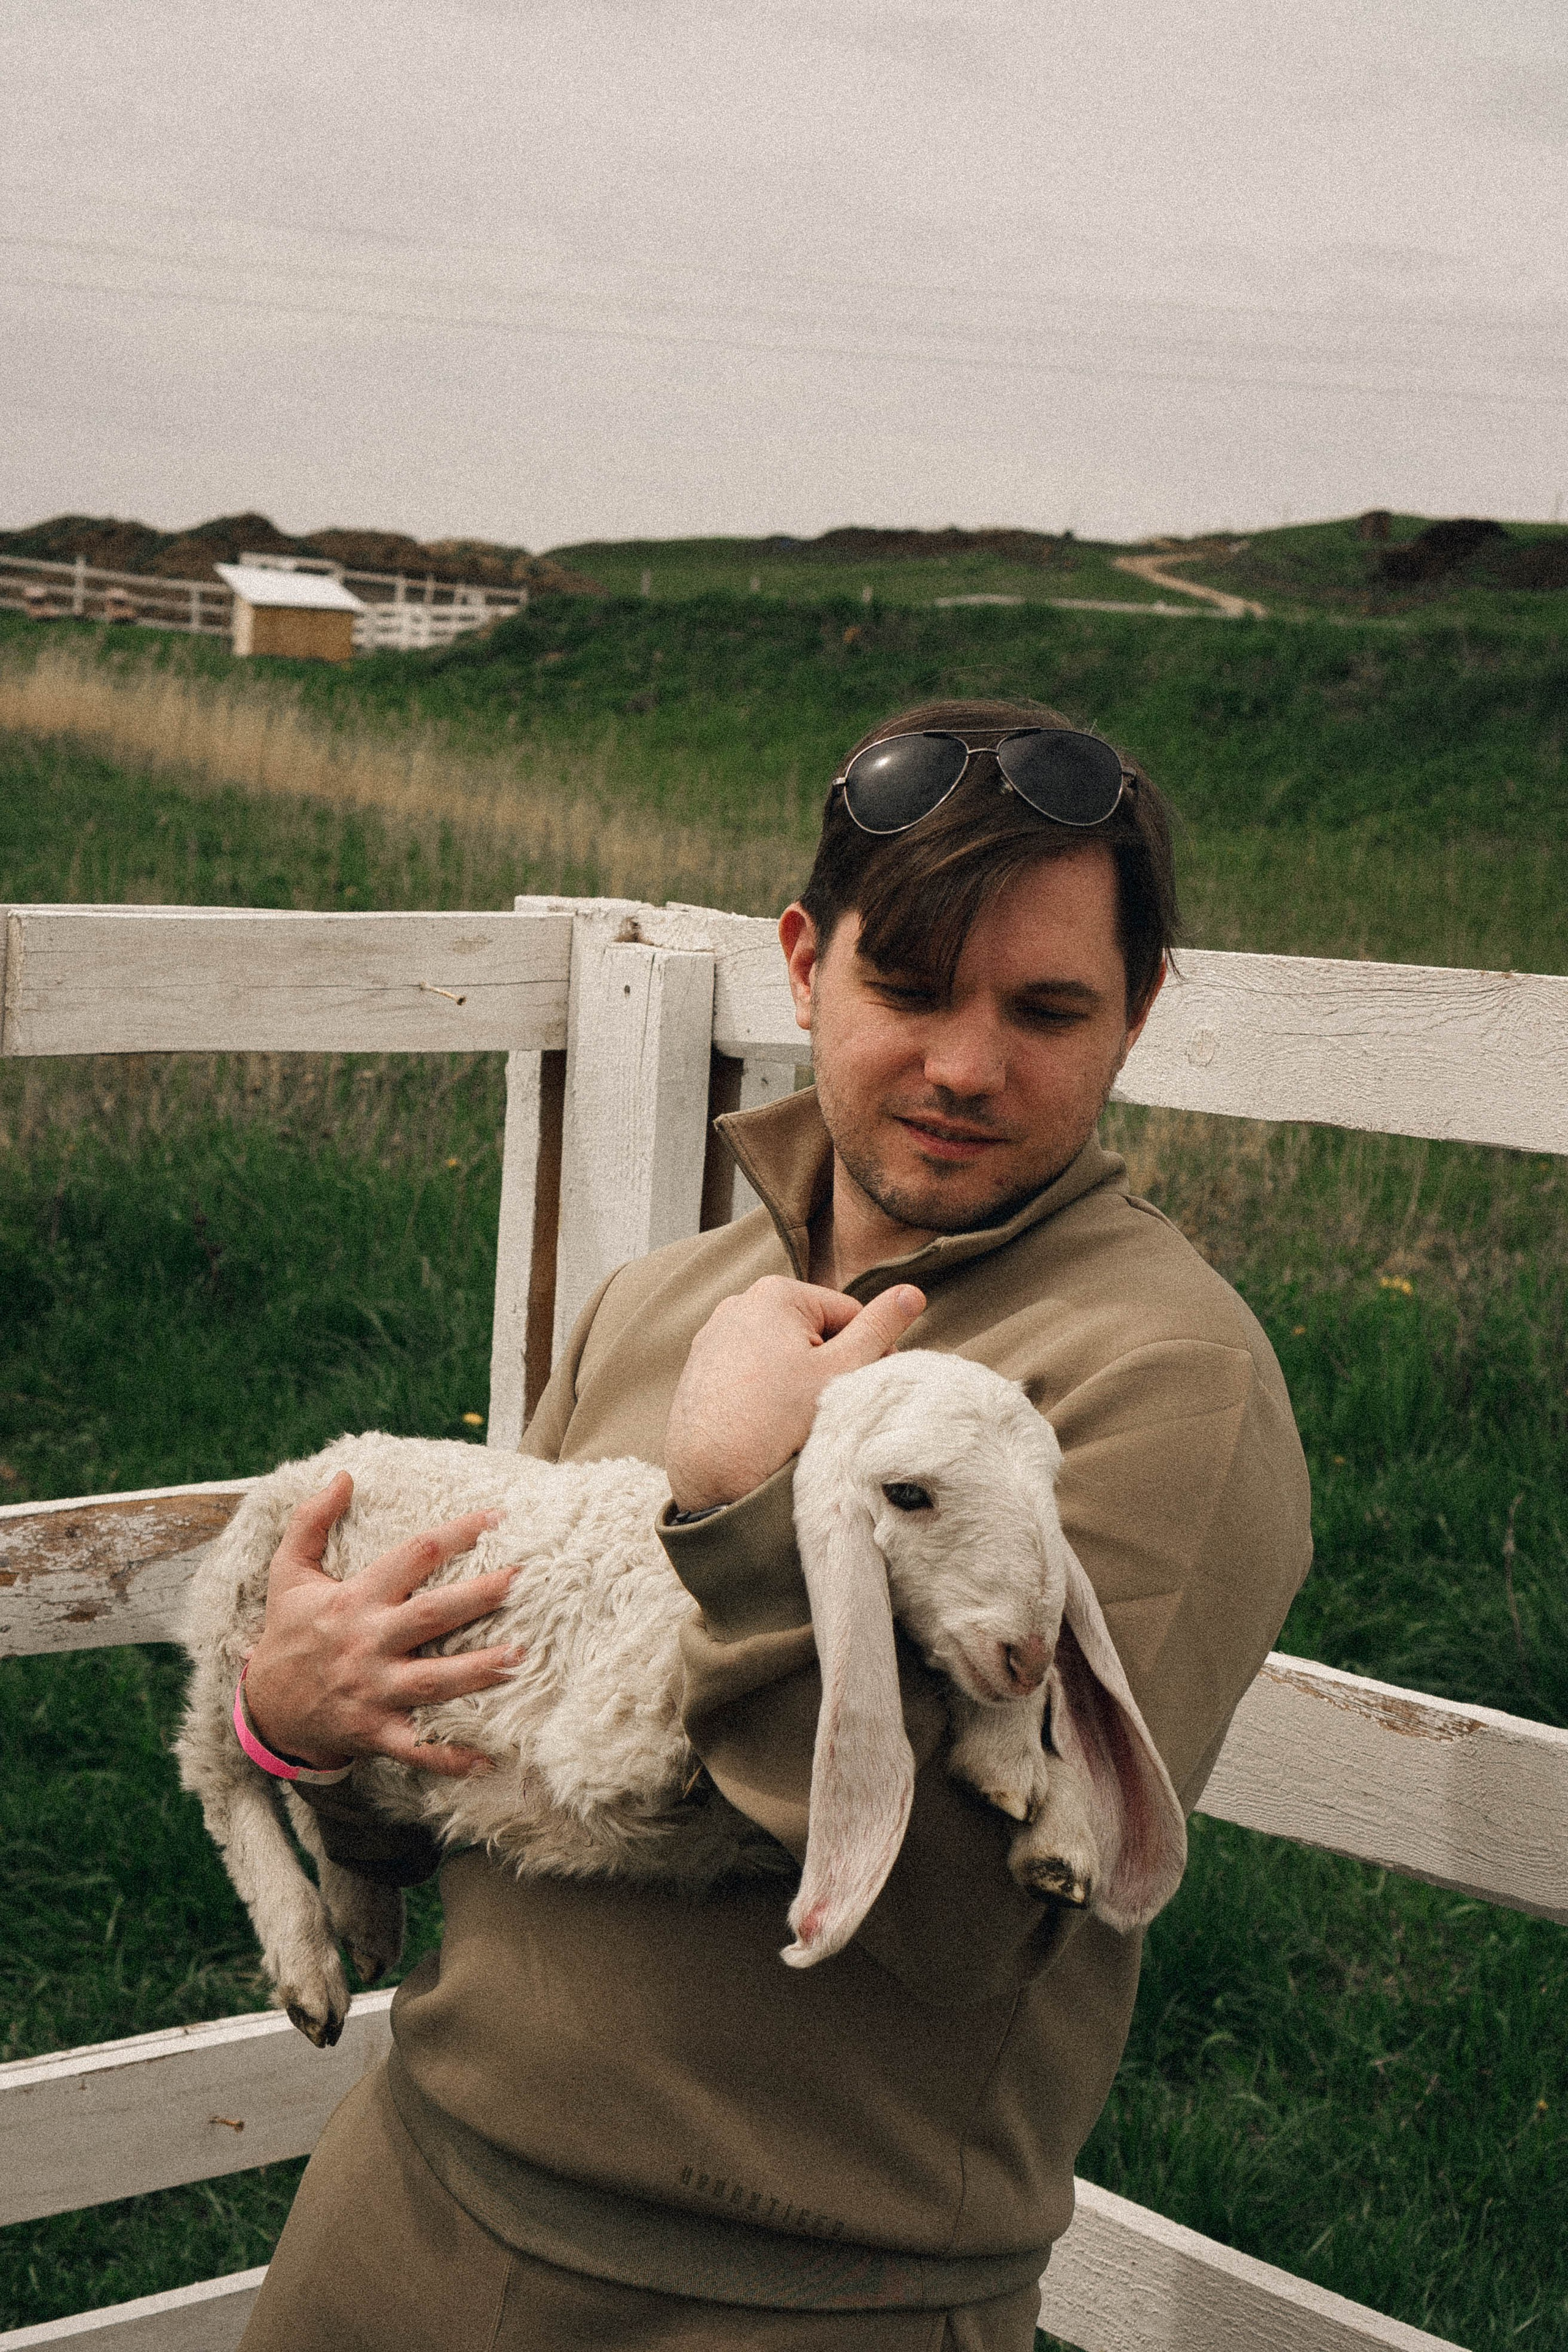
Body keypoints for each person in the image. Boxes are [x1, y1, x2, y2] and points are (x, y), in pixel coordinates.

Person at [237, 698, 1311, 2352]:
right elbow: (473, 1755)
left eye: (1047, 1008)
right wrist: (303, 1725)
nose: (967, 1064)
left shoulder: (1161, 1376)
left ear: (1139, 1012)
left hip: (786, 2305)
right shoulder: (660, 1305)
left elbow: (975, 1916)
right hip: (402, 2209)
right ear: (806, 962)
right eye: (910, 984)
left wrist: (742, 1504)